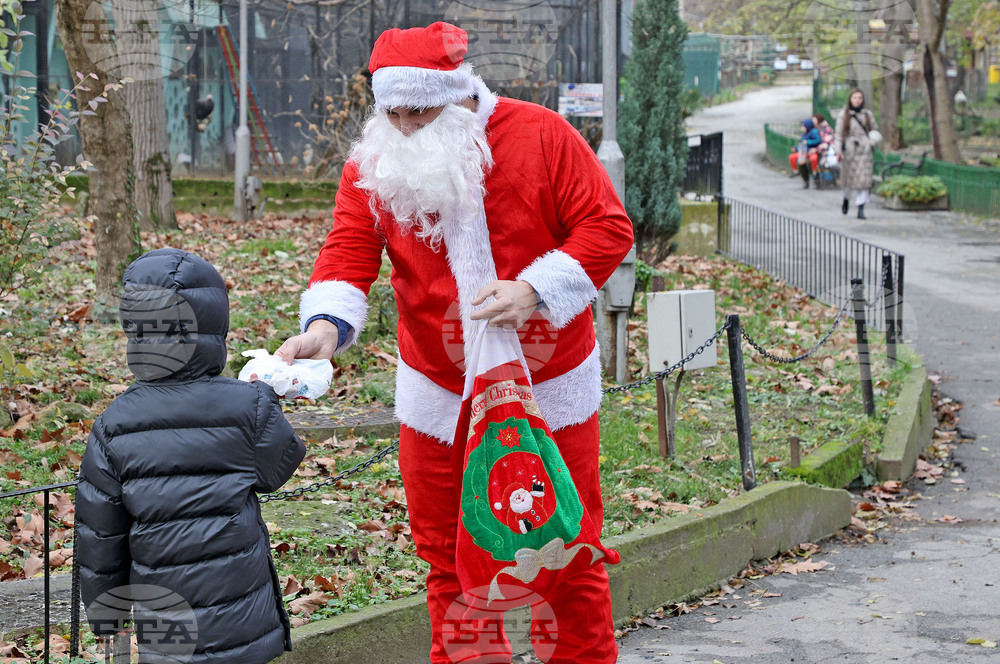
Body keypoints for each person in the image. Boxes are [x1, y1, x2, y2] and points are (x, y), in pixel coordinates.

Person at [276, 21, 633, 664]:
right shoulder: (375, 158)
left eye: (421, 111)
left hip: (548, 383)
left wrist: (535, 290)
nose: (406, 126)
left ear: (460, 94)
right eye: (394, 112)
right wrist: (325, 328)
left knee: (568, 552)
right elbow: (350, 250)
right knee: (445, 559)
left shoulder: (543, 134)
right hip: (438, 388)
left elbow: (606, 228)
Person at [76, 248, 306, 663]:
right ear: (216, 324)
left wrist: (106, 618)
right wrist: (269, 400)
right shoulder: (249, 407)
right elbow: (280, 466)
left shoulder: (112, 425)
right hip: (243, 618)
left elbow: (99, 537)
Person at [835, 89, 879, 219]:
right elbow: (838, 134)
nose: (857, 100)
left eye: (860, 98)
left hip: (865, 151)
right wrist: (838, 150)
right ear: (850, 99)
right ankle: (846, 199)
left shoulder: (867, 114)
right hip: (850, 151)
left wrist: (871, 142)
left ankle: (861, 208)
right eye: (855, 98)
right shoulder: (844, 115)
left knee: (864, 181)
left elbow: (875, 129)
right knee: (848, 180)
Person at [787, 118, 822, 188]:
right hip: (804, 152)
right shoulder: (804, 134)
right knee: (799, 162)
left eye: (803, 126)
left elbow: (818, 140)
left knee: (812, 161)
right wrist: (796, 149)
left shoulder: (813, 132)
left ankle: (815, 176)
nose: (802, 128)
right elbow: (802, 145)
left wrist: (808, 142)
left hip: (812, 151)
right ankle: (803, 179)